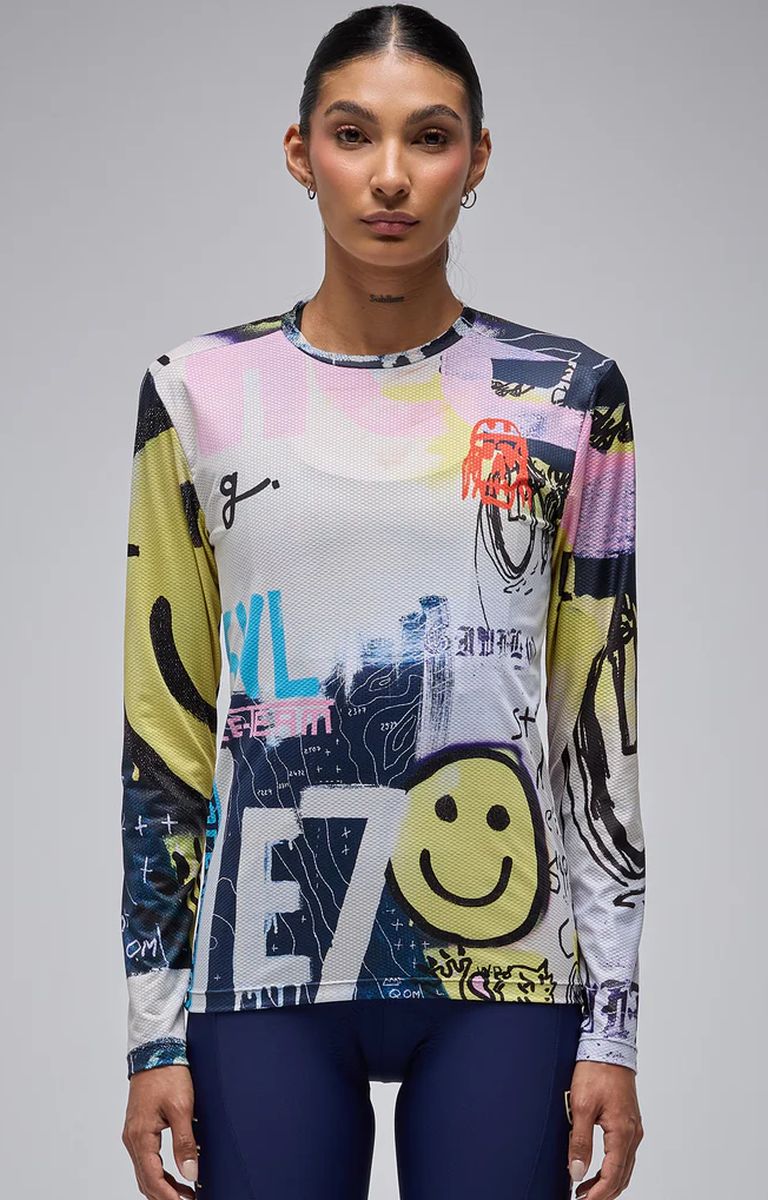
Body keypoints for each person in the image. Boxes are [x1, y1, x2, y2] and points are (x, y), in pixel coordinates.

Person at [119, 5, 646, 1198]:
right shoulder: (197, 393)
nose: (393, 176)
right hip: (264, 954)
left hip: (507, 959)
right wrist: (154, 1030)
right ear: (300, 152)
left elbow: (597, 730)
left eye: (432, 137)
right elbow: (164, 731)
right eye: (354, 135)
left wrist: (612, 1024)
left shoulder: (569, 397)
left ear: (479, 158)